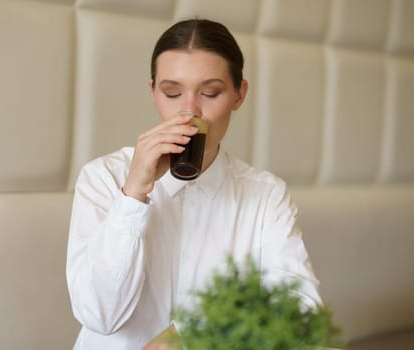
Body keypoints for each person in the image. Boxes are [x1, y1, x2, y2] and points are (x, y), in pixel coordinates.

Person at [66, 18, 322, 350]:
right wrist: (133, 196)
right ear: (152, 91)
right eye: (172, 92)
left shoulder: (264, 194)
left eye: (210, 92)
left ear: (238, 95)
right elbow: (99, 315)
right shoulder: (103, 177)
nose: (189, 112)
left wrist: (188, 331)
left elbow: (302, 311)